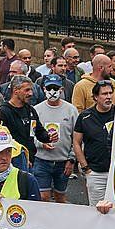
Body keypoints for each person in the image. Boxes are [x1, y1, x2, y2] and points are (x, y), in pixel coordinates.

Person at [32, 74, 79, 203]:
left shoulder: (71, 110)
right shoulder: (36, 110)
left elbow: (77, 138)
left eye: (56, 88)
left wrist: (72, 159)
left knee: (60, 196)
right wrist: (42, 144)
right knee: (43, 197)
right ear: (43, 89)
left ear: (61, 90)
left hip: (63, 162)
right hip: (42, 161)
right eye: (49, 88)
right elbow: (31, 135)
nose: (52, 91)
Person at [73, 81, 115, 204]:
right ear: (96, 97)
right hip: (96, 173)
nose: (108, 96)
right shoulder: (85, 117)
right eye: (104, 94)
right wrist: (85, 168)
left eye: (110, 93)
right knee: (97, 212)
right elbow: (76, 142)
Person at [0, 75, 53, 168]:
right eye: (27, 90)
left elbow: (38, 132)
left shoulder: (30, 110)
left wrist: (49, 137)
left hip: (31, 161)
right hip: (12, 163)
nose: (31, 93)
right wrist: (20, 160)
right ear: (16, 91)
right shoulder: (4, 112)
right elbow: (2, 141)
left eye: (31, 90)